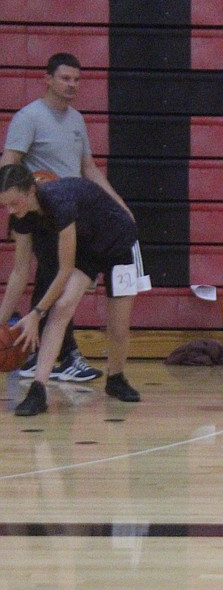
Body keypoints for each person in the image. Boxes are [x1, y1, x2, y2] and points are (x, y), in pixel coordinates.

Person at [0, 52, 132, 383]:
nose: (72, 85)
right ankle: (55, 352)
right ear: (48, 79)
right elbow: (9, 163)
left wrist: (119, 203)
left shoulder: (76, 120)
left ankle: (56, 352)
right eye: (65, 78)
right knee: (46, 276)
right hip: (35, 210)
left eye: (76, 79)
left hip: (70, 213)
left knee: (57, 277)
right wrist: (14, 206)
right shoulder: (28, 117)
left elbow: (88, 169)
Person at [0, 164, 143, 415]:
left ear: (31, 191)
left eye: (14, 203)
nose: (11, 210)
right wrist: (1, 322)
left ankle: (116, 378)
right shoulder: (21, 218)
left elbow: (64, 270)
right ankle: (38, 389)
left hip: (120, 244)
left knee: (118, 326)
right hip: (88, 248)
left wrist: (35, 313)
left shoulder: (59, 203)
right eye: (5, 206)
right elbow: (19, 271)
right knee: (62, 307)